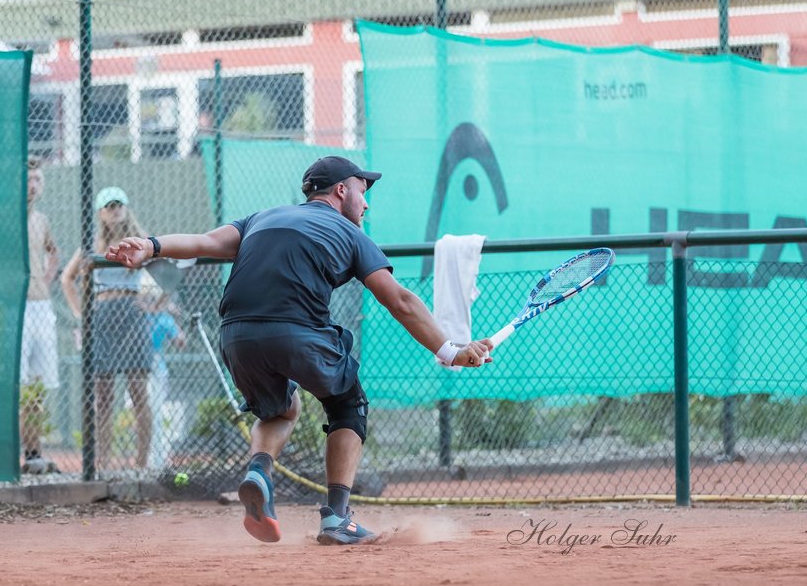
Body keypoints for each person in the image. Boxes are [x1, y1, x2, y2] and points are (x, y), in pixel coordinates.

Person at [104, 155, 493, 546]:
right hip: (295, 330)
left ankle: (258, 471)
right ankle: (337, 518)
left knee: (281, 408)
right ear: (342, 190)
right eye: (362, 190)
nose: (367, 203)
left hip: (236, 335)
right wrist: (450, 351)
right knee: (347, 404)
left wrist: (151, 246)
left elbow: (204, 243)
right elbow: (401, 301)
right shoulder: (352, 234)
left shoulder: (261, 217)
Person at [61, 187, 154, 470]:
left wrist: (155, 304)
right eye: (110, 206)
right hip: (101, 316)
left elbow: (169, 274)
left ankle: (141, 464)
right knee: (103, 395)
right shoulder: (92, 243)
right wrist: (81, 314)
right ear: (101, 212)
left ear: (126, 209)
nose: (116, 210)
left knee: (138, 390)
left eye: (119, 205)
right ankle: (101, 463)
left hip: (132, 316)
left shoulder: (141, 242)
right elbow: (67, 278)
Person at [20, 160, 62, 474]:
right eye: (28, 178)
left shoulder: (42, 220)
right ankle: (15, 451)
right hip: (17, 308)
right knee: (18, 384)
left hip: (41, 306)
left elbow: (54, 251)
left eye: (37, 179)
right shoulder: (7, 219)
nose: (33, 184)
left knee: (37, 384)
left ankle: (34, 453)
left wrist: (47, 277)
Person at [140, 277, 186, 471]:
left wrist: (178, 318)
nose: (150, 301)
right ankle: (145, 458)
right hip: (140, 366)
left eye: (153, 297)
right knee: (145, 413)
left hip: (156, 367)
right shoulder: (141, 315)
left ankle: (156, 459)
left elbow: (181, 341)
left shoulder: (163, 318)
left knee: (156, 414)